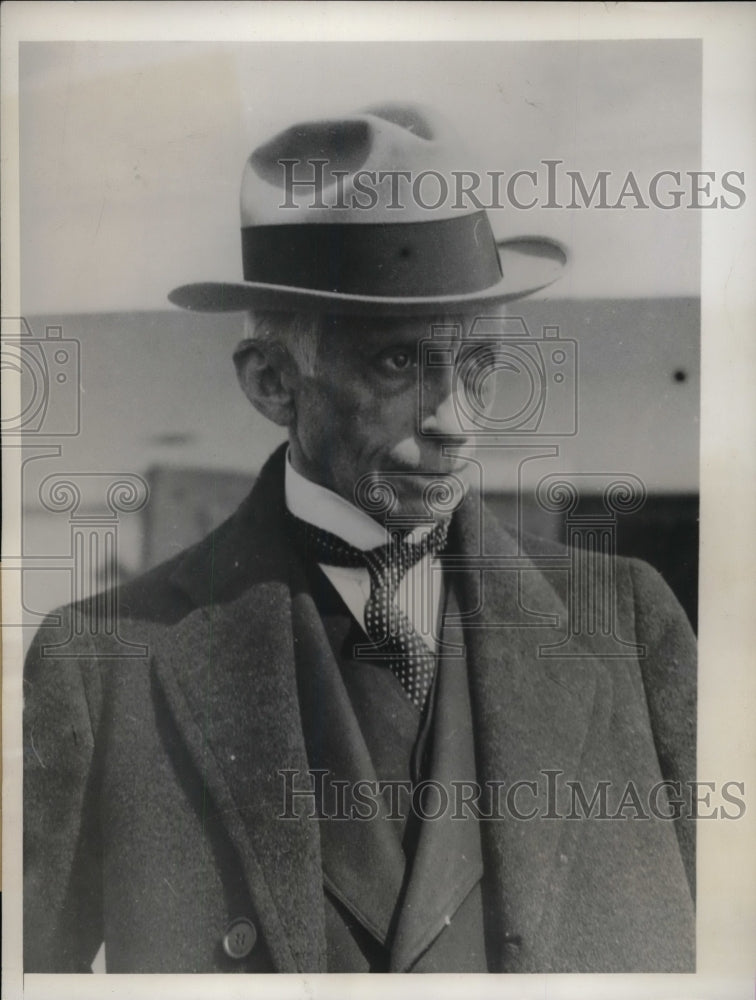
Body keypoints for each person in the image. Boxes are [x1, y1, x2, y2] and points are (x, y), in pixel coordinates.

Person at [23, 103, 696, 974]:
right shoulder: (103, 668)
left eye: (480, 368)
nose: (456, 422)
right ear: (272, 383)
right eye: (395, 364)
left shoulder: (629, 629)